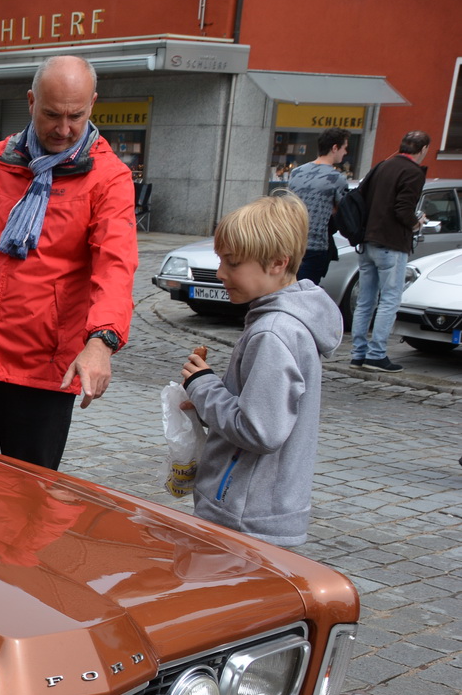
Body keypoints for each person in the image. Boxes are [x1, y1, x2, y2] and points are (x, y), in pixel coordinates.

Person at [0, 55, 137, 471]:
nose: (63, 129)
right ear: (30, 101)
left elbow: (115, 266)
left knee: (24, 505)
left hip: (42, 370)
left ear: (92, 105)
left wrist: (102, 340)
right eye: (51, 114)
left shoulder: (108, 178)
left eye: (75, 116)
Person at [181, 194, 340, 546]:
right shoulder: (290, 324)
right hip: (265, 508)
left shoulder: (273, 333)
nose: (221, 273)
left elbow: (259, 431)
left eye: (233, 263)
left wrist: (203, 385)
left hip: (244, 516)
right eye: (221, 260)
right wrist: (209, 400)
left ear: (277, 264)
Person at [350, 130, 430, 372]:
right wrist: (417, 223)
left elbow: (362, 198)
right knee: (389, 301)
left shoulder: (381, 165)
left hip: (367, 241)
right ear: (424, 149)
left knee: (365, 301)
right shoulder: (413, 172)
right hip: (391, 244)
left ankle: (358, 354)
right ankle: (376, 355)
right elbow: (403, 209)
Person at [285, 129, 349, 285]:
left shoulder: (296, 172)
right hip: (315, 245)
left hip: (290, 243)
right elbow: (343, 213)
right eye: (344, 147)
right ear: (335, 148)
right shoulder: (336, 178)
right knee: (306, 293)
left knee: (286, 290)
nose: (346, 152)